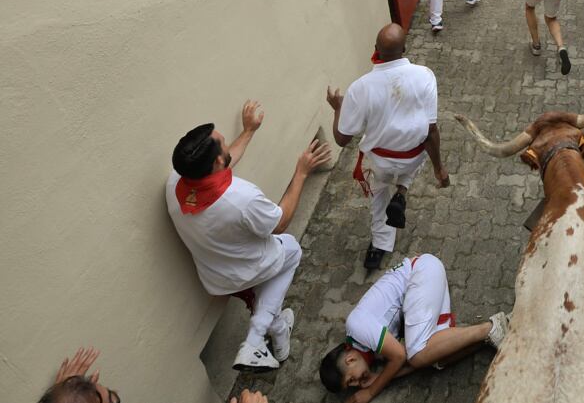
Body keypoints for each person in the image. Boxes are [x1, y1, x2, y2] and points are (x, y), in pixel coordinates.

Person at [166, 101, 331, 370]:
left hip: (216, 276)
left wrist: (249, 131)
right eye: (222, 142)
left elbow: (224, 160)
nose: (226, 143)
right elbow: (281, 222)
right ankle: (255, 338)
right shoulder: (241, 199)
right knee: (290, 249)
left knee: (267, 297)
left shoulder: (176, 182)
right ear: (218, 160)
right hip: (250, 269)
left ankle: (278, 335)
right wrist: (301, 173)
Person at [326, 24, 450, 270]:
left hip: (380, 161)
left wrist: (338, 106)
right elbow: (431, 131)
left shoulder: (360, 88)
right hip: (414, 155)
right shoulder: (425, 75)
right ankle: (402, 191)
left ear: (376, 50)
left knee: (379, 195)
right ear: (405, 49)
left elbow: (342, 139)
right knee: (412, 163)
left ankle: (380, 246)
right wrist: (439, 169)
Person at [319, 255, 509, 401]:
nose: (357, 384)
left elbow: (401, 356)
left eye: (351, 380)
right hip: (424, 288)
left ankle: (491, 327)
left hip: (422, 272)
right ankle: (491, 336)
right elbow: (409, 363)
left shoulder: (356, 326)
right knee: (435, 359)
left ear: (350, 359)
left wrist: (371, 390)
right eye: (353, 386)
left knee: (417, 353)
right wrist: (381, 376)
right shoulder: (372, 352)